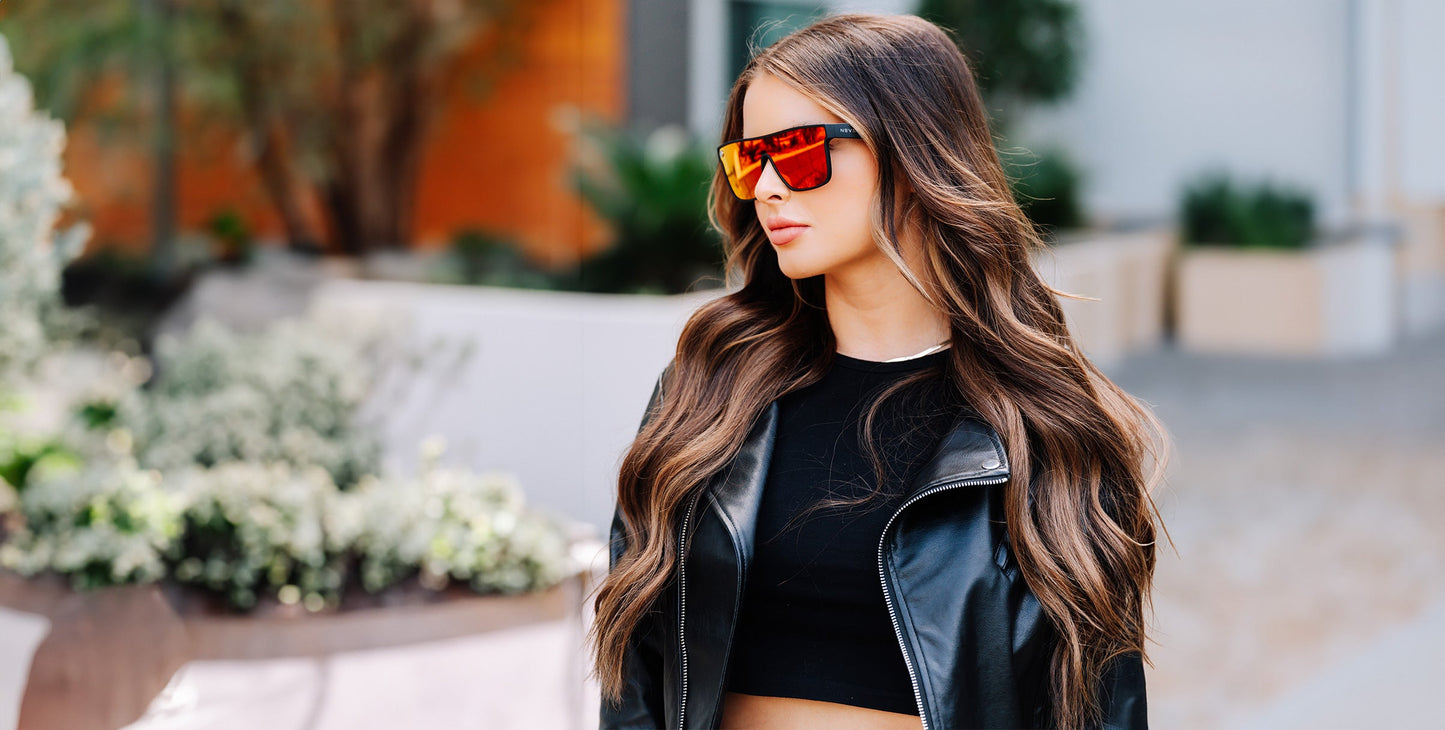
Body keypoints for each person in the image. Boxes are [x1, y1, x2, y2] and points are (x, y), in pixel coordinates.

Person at [588, 12, 1170, 730]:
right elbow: (634, 671)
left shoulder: (1041, 428)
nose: (766, 187)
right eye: (747, 161)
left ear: (911, 147)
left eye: (797, 152)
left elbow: (1097, 709)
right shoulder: (709, 388)